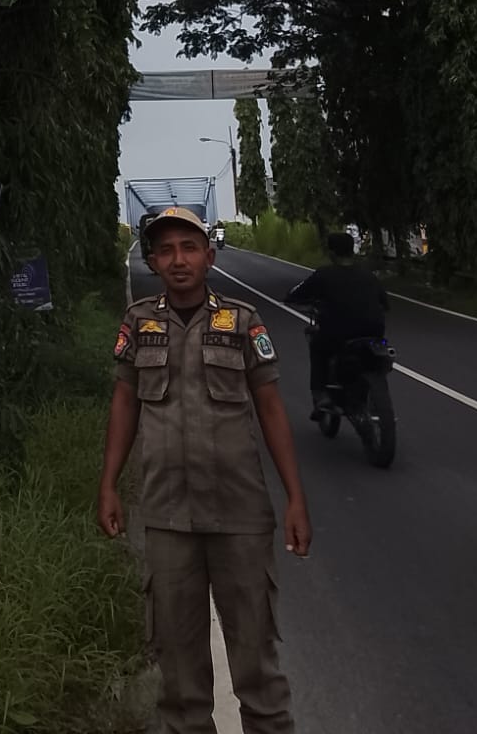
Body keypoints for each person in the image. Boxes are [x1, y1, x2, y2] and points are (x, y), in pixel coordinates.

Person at [98, 206, 311, 734]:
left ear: (209, 257)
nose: (178, 260)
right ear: (152, 261)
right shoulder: (138, 322)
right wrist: (108, 485)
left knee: (258, 668)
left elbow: (270, 407)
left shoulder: (242, 321)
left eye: (189, 248)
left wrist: (295, 498)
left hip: (240, 516)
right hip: (168, 518)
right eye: (166, 250)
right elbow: (124, 403)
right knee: (179, 677)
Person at [285, 231, 389, 415]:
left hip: (337, 334)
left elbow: (295, 295)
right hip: (374, 332)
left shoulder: (323, 274)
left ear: (332, 252)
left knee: (317, 345)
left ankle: (320, 394)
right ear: (352, 250)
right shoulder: (369, 276)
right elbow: (385, 304)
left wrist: (294, 299)